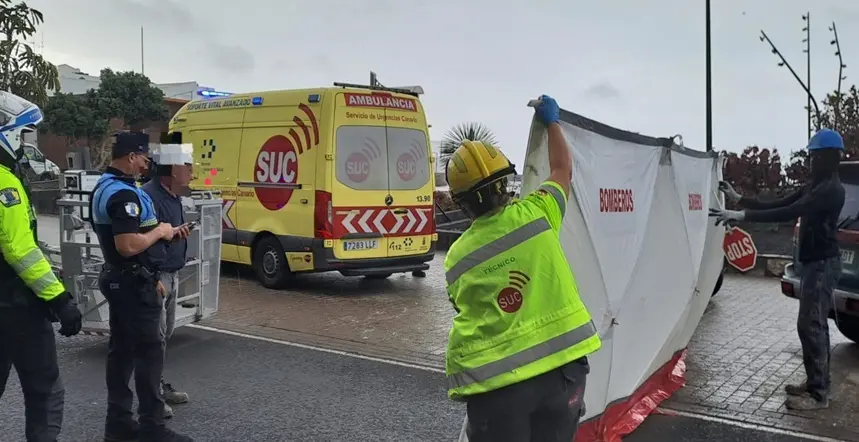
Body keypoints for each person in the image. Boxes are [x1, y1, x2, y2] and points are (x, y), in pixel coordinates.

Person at [444, 95, 602, 442]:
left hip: (498, 389)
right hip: (564, 377)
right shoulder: (539, 213)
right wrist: (552, 121)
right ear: (504, 182)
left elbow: (461, 305)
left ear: (461, 202)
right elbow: (563, 169)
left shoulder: (456, 258)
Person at [711, 128, 846, 411]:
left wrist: (743, 215)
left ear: (827, 158)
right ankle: (813, 383)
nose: (811, 161)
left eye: (814, 156)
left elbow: (788, 213)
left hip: (822, 264)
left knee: (812, 324)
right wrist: (740, 199)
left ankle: (819, 393)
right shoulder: (816, 185)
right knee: (809, 324)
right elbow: (781, 202)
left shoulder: (832, 190)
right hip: (812, 262)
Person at [90, 131, 194, 442]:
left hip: (121, 279)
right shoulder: (124, 195)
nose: (146, 162)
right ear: (131, 157)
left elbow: (139, 232)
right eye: (142, 157)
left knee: (121, 353)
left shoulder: (106, 186)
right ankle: (153, 428)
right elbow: (127, 244)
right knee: (149, 355)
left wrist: (169, 232)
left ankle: (119, 425)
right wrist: (159, 232)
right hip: (135, 282)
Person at [0, 131, 82, 442]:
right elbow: (19, 249)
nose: (23, 146)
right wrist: (59, 298)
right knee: (45, 391)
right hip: (15, 308)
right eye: (20, 137)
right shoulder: (5, 182)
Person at [142, 143, 193, 419]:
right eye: (188, 166)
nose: (192, 173)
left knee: (163, 336)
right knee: (153, 339)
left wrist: (177, 233)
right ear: (172, 169)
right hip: (156, 277)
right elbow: (143, 241)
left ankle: (156, 387)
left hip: (170, 274)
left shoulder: (172, 197)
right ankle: (150, 399)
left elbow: (165, 234)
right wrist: (151, 277)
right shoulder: (149, 197)